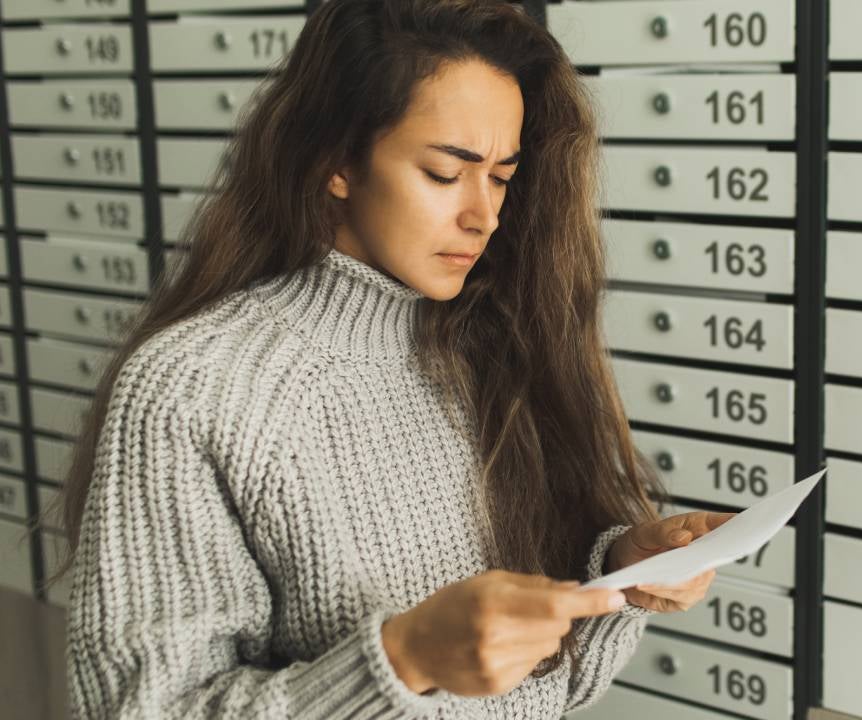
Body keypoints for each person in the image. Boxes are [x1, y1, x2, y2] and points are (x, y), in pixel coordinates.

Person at [55, 1, 729, 717]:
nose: (485, 215)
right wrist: (407, 659)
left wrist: (620, 574)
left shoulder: (489, 346)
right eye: (446, 172)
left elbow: (543, 692)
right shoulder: (193, 386)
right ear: (337, 161)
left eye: (501, 176)